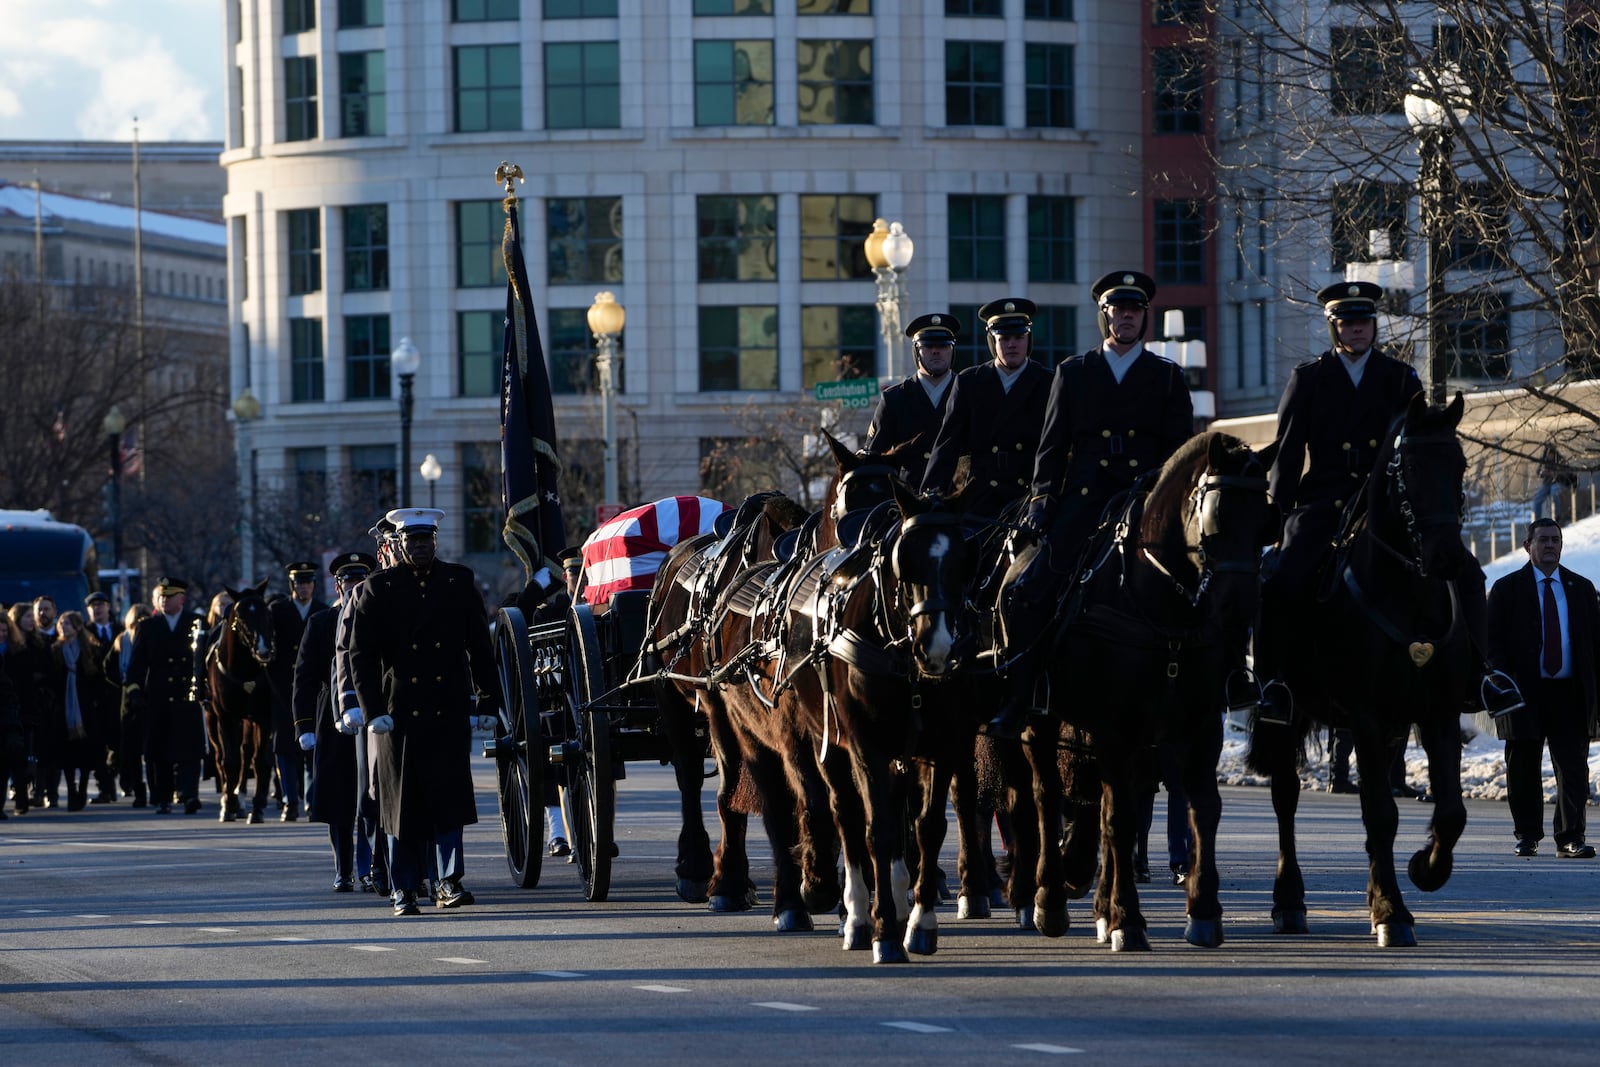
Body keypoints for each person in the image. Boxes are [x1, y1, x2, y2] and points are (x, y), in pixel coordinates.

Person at [1256, 280, 1521, 723]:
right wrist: (1276, 519)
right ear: (1333, 327)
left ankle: (1481, 673)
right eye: (1348, 323)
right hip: (1325, 504)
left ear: (1374, 326)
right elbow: (1286, 455)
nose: (1358, 330)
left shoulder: (1399, 377)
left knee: (1468, 574)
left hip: (1387, 507)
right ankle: (1274, 684)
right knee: (1282, 578)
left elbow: (1420, 439)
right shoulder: (1309, 378)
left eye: (1365, 322)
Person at [989, 271, 1194, 735]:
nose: (1126, 318)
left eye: (1134, 311)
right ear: (1104, 315)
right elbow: (1051, 447)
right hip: (1084, 504)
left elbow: (1182, 454)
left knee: (1204, 585)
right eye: (1118, 311)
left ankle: (1220, 687)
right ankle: (1025, 693)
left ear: (1144, 318)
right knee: (1028, 590)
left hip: (1145, 502)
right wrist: (1042, 501)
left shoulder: (1166, 377)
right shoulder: (1074, 373)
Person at [348, 508, 497, 916]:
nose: (420, 548)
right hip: (398, 713)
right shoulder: (379, 587)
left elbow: (480, 647)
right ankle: (405, 889)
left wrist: (487, 700)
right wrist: (372, 709)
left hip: (447, 706)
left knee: (448, 800)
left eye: (426, 541)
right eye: (412, 542)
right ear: (399, 544)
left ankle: (449, 882)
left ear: (435, 542)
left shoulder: (458, 581)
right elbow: (361, 656)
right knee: (401, 805)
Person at [1487, 518, 1600, 859]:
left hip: (1569, 692)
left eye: (1555, 540)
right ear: (1527, 546)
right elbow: (1492, 645)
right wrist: (1503, 683)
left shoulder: (1581, 588)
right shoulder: (1506, 589)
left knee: (1573, 767)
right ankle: (1527, 834)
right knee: (1522, 766)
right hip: (1523, 693)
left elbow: (1595, 644)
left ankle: (1570, 837)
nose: (1550, 545)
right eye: (1543, 540)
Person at [921, 297, 1053, 519]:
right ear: (992, 342)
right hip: (980, 497)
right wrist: (930, 495)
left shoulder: (1048, 382)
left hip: (1031, 498)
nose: (1012, 344)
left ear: (1028, 340)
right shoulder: (969, 382)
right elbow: (947, 445)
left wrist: (1046, 496)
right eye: (1004, 338)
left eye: (1019, 337)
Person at [295, 552, 380, 892]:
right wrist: (303, 726)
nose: (353, 586)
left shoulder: (378, 616)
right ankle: (344, 869)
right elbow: (303, 677)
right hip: (332, 723)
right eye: (348, 580)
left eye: (360, 579)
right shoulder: (320, 622)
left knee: (371, 800)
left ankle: (374, 867)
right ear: (337, 585)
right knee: (340, 803)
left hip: (373, 718)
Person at [124, 577, 207, 814]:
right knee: (160, 751)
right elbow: (137, 664)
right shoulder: (148, 626)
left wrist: (205, 690)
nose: (164, 601)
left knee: (190, 750)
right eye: (161, 596)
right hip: (159, 696)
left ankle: (190, 794)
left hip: (186, 695)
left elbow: (203, 660)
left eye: (169, 596)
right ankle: (163, 797)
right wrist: (135, 691)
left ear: (181, 598)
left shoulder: (196, 622)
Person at [863, 312, 960, 489]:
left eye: (943, 345)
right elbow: (873, 459)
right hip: (909, 500)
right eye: (928, 345)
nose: (936, 351)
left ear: (952, 349)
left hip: (959, 500)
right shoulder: (894, 399)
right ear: (916, 350)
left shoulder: (969, 392)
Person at [268, 561, 330, 821]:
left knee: (314, 748)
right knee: (285, 748)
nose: (303, 587)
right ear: (292, 586)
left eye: (308, 583)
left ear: (314, 585)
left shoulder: (322, 611)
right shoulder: (277, 611)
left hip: (313, 690)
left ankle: (312, 798)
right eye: (299, 583)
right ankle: (289, 800)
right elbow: (269, 654)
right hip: (284, 689)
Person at [103, 602, 153, 807]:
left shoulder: (151, 637)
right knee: (130, 748)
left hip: (149, 695)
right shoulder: (122, 640)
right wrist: (123, 683)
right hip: (128, 698)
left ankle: (156, 788)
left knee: (150, 746)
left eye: (144, 616)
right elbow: (108, 667)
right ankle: (136, 787)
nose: (141, 620)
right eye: (137, 616)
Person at [81, 592, 123, 803]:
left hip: (118, 696)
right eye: (92, 606)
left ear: (108, 607)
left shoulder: (120, 630)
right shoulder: (84, 632)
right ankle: (105, 788)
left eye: (100, 605)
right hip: (95, 698)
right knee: (97, 746)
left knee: (120, 743)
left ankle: (120, 779)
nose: (97, 609)